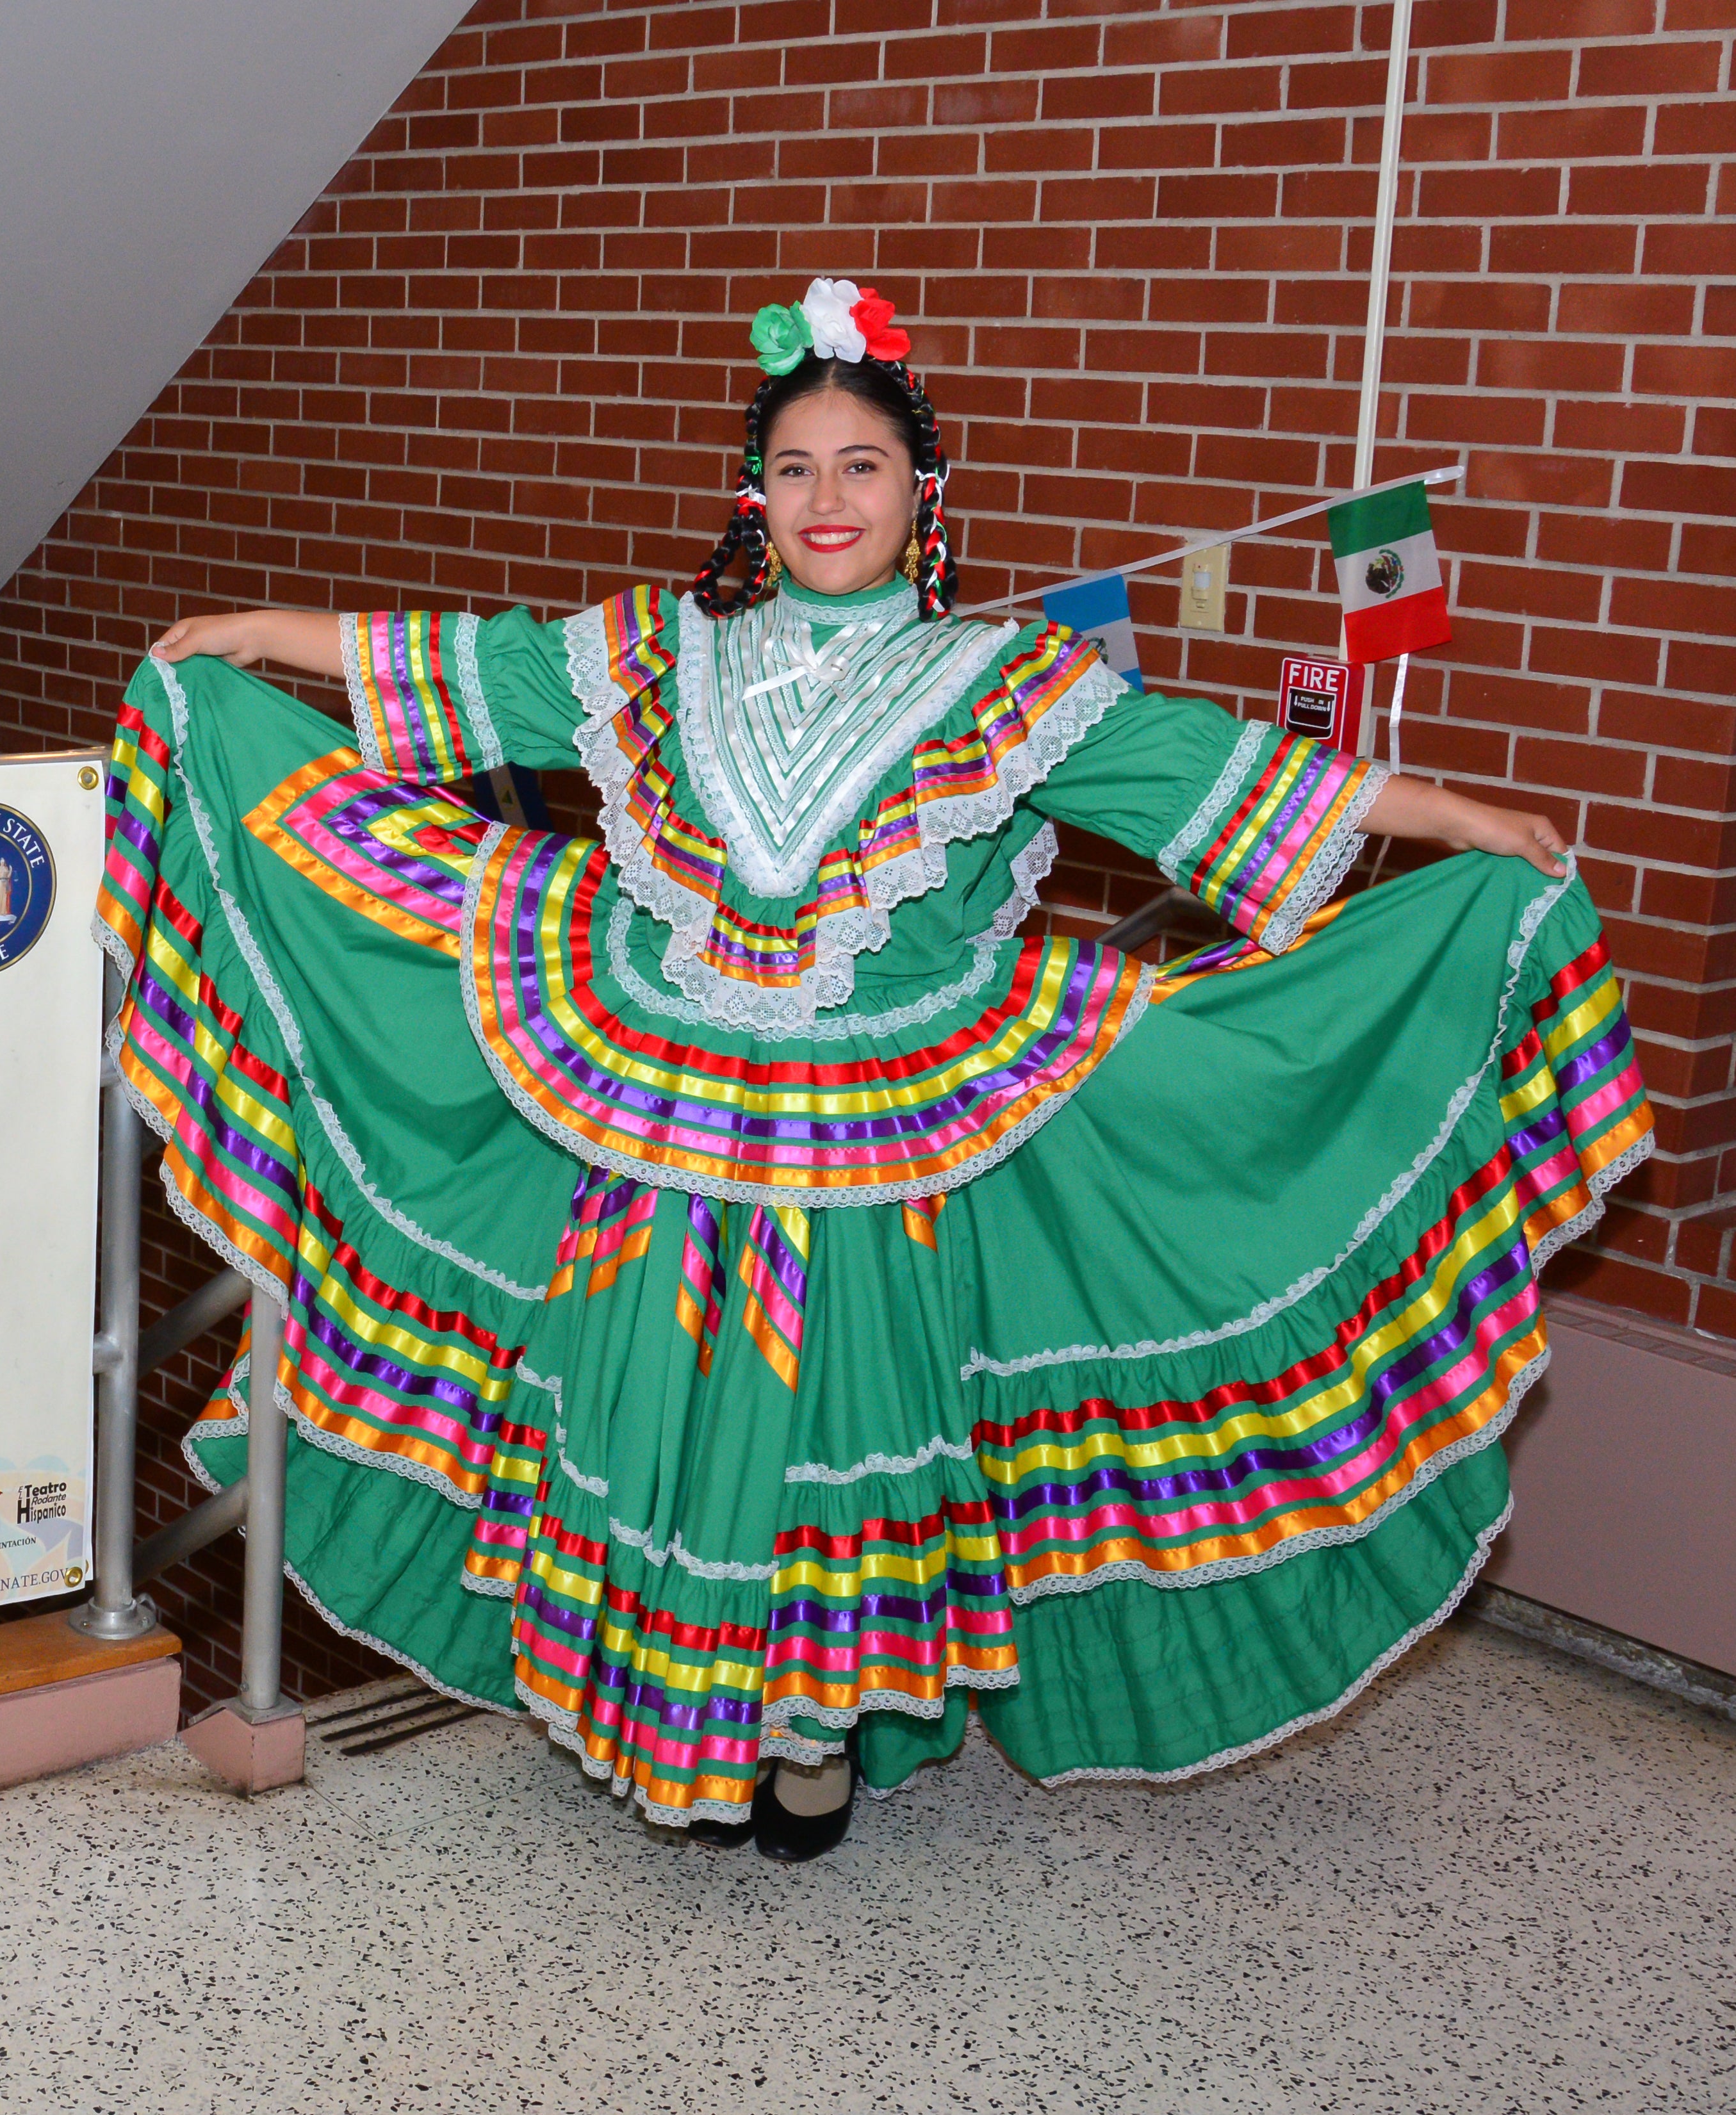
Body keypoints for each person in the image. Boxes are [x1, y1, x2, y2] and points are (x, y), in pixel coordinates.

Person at [113, 279, 1648, 1860]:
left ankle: (806, 1727)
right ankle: (677, 1711)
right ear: (752, 495)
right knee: (669, 1406)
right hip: (671, 1100)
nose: (826, 497)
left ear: (923, 493)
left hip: (889, 1128)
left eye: (860, 465)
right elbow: (457, 662)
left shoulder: (1004, 686)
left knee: (838, 1422)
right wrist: (243, 636)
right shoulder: (653, 657)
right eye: (793, 467)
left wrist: (1454, 822)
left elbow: (1206, 768)